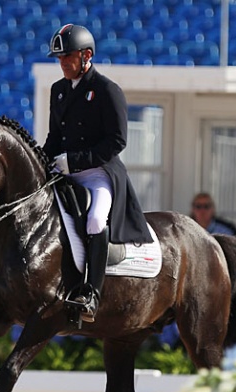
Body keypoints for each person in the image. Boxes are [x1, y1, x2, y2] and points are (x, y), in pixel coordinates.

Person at [42, 23, 153, 323]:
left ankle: (91, 292)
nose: (63, 64)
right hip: (65, 170)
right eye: (59, 59)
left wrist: (75, 161)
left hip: (98, 173)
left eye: (68, 57)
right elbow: (55, 137)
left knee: (93, 220)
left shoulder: (106, 90)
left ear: (86, 55)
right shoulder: (59, 91)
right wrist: (43, 160)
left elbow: (117, 141)